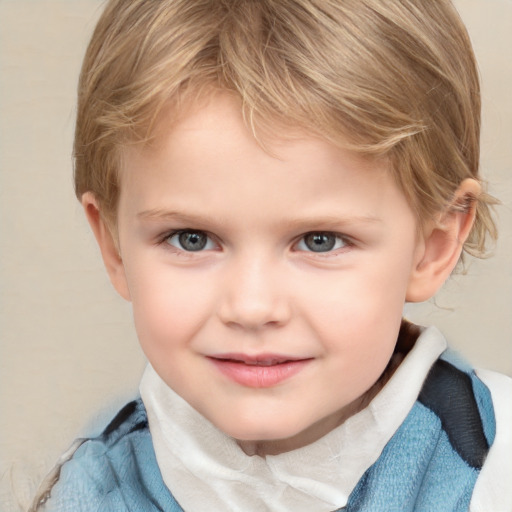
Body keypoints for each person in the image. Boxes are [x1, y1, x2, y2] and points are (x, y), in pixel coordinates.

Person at [31, 0, 511, 510]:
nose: (252, 307)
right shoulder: (90, 493)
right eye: (191, 238)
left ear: (432, 246)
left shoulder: (495, 473)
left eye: (319, 240)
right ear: (114, 246)